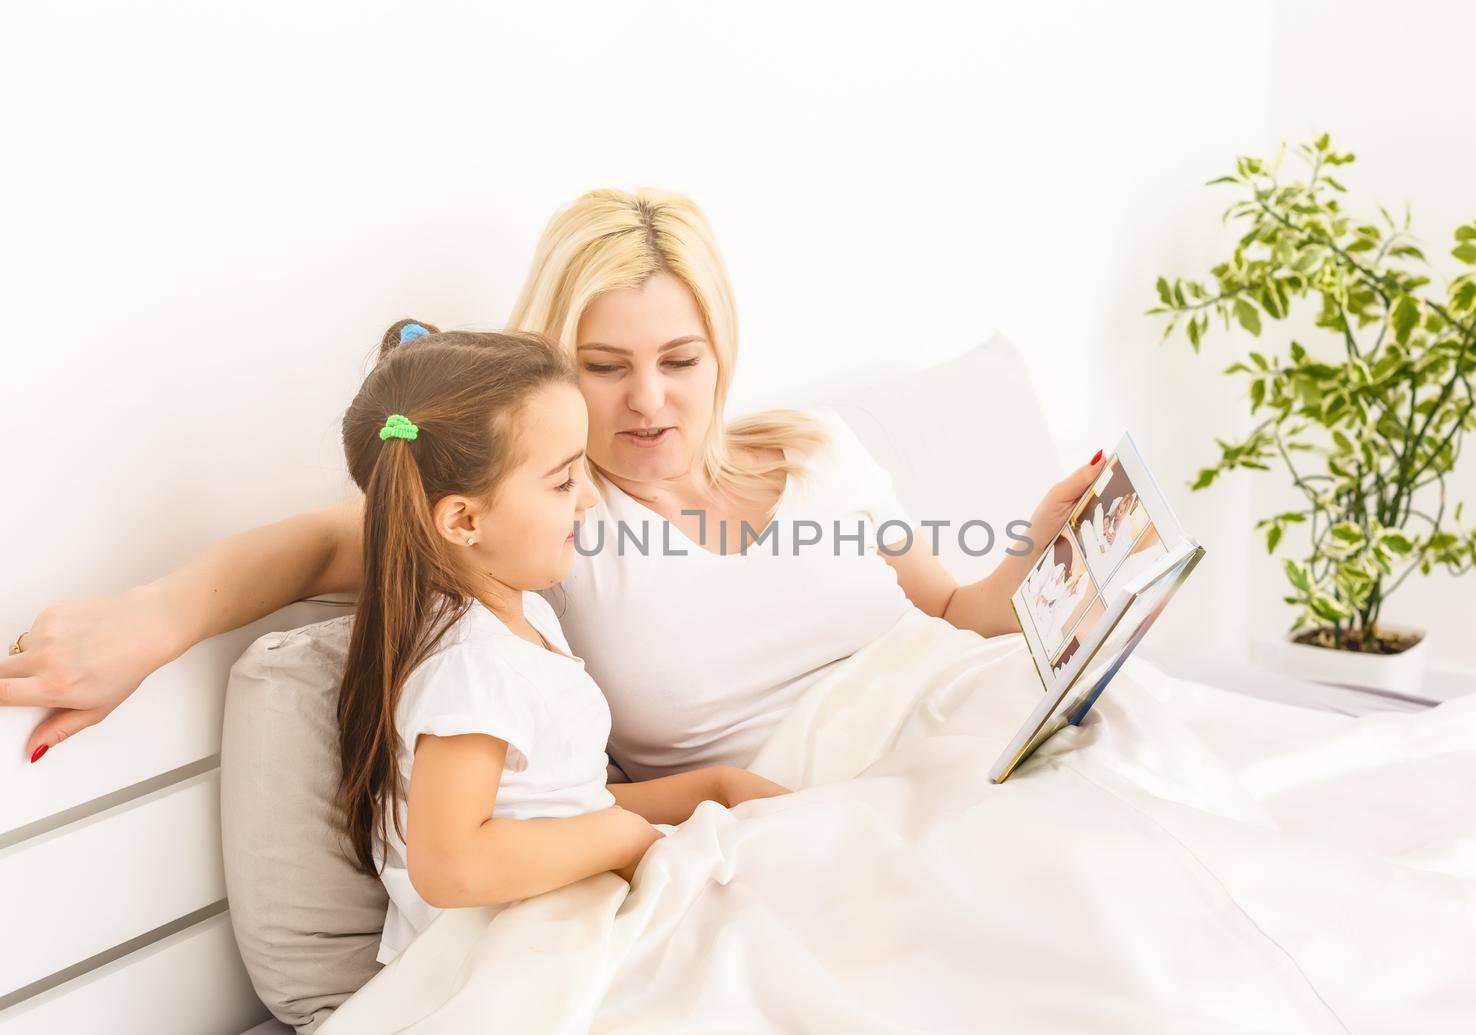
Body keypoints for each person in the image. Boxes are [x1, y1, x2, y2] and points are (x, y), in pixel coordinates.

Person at [5, 188, 1104, 772]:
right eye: (606, 367)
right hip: (823, 804)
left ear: (722, 347)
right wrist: (153, 618)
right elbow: (325, 539)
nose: (651, 403)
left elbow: (958, 615)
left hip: (973, 723)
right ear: (553, 364)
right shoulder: (553, 510)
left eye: (680, 362)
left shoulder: (817, 444)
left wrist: (1045, 546)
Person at [333, 320, 785, 963]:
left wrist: (708, 787)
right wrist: (624, 839)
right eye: (563, 481)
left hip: (565, 909)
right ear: (464, 519)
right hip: (520, 951)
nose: (590, 499)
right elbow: (451, 865)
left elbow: (552, 801)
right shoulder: (473, 666)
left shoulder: (525, 621)